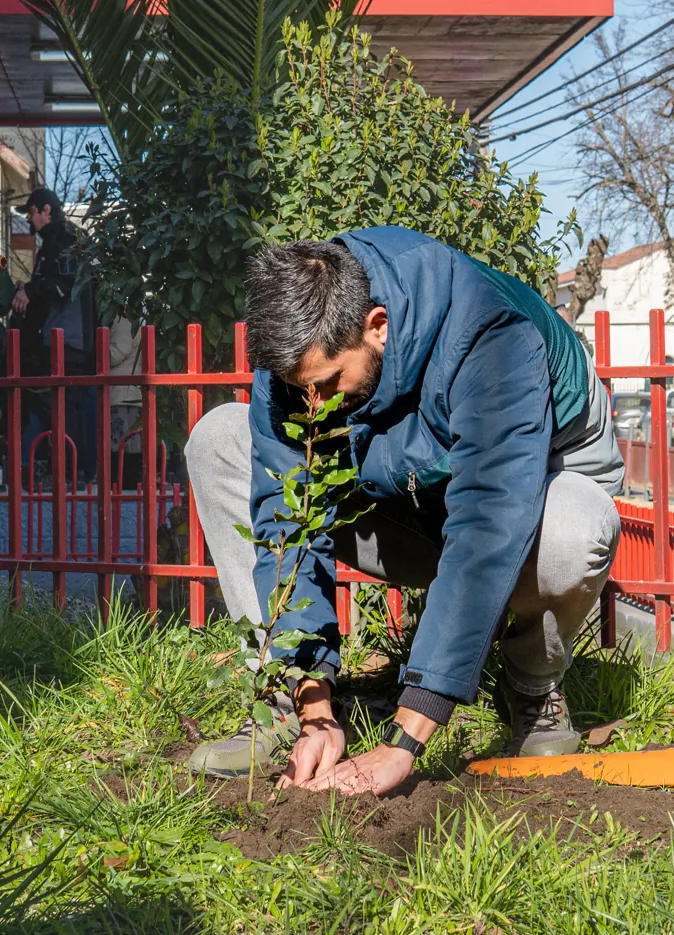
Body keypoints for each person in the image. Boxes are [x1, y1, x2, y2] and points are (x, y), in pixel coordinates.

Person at [184, 231, 624, 791]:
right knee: (219, 437)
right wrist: (312, 702)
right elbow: (285, 520)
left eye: (325, 386)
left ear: (378, 325)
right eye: (302, 391)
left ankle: (532, 683)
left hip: (531, 496)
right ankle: (283, 704)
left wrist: (405, 739)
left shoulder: (490, 334)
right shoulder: (300, 355)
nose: (312, 406)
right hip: (405, 497)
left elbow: (490, 523)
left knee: (573, 529)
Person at [11, 188, 96, 480]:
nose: (30, 221)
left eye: (32, 213)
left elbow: (64, 284)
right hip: (64, 337)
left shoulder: (62, 240)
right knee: (63, 405)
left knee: (63, 406)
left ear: (46, 210)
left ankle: (70, 471)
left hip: (65, 339)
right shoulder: (61, 239)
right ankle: (74, 469)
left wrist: (31, 291)